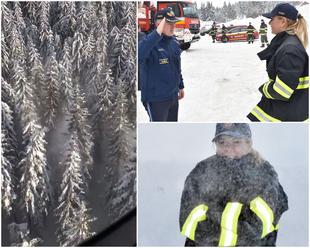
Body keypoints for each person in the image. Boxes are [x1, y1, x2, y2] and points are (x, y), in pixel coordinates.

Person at [179, 123, 288, 246]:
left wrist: (215, 221)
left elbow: (260, 225)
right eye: (222, 142)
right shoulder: (202, 170)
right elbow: (189, 223)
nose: (228, 148)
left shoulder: (265, 173)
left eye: (236, 142)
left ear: (249, 143)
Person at [247, 3, 308, 122]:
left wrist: (264, 88)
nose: (269, 23)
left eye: (272, 19)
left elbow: (282, 91)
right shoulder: (287, 44)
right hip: (287, 110)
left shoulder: (290, 50)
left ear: (283, 21)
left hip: (287, 114)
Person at [138, 8, 185, 122]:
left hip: (173, 96)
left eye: (174, 22)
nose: (173, 26)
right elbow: (138, 55)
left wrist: (180, 85)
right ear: (159, 24)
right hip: (156, 99)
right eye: (169, 23)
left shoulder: (174, 42)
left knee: (171, 129)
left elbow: (176, 66)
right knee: (158, 130)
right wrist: (157, 34)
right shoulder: (148, 41)